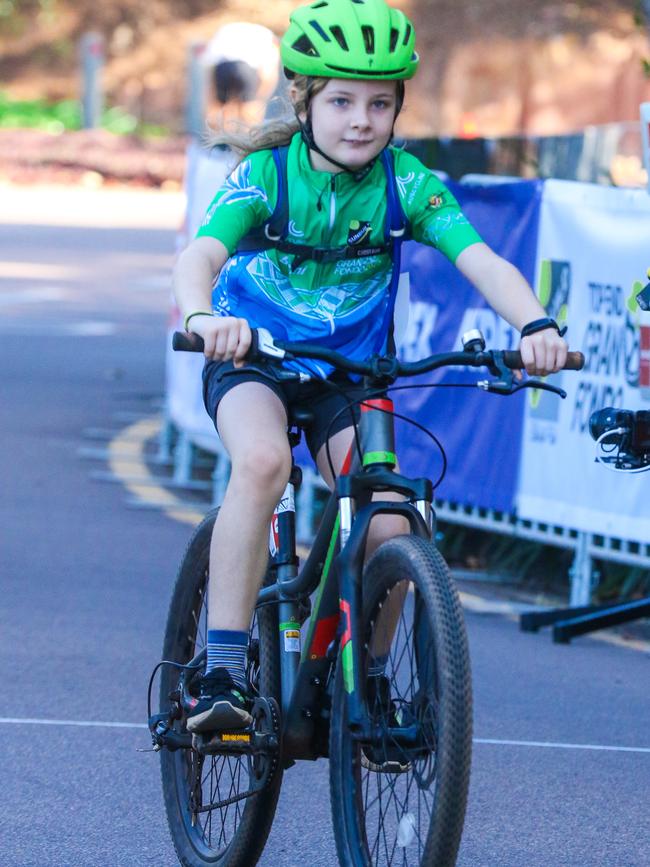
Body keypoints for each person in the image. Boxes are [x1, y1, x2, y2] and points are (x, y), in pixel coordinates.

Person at [173, 0, 568, 734]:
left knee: (392, 517)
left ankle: (375, 681)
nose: (362, 119)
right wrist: (204, 318)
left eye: (380, 103)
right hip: (253, 360)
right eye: (343, 101)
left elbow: (481, 259)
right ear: (305, 99)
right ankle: (222, 668)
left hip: (347, 378)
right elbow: (200, 255)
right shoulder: (267, 179)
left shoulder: (406, 185)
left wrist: (536, 324)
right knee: (260, 463)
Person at [202, 22, 281, 128]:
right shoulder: (269, 38)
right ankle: (252, 139)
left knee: (220, 109)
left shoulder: (226, 28)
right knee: (249, 110)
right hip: (246, 69)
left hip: (223, 66)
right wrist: (259, 97)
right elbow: (268, 73)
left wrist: (212, 99)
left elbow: (210, 61)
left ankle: (219, 140)